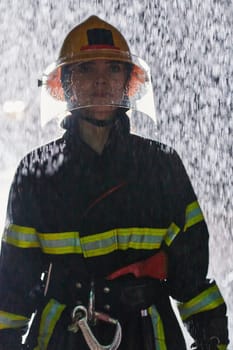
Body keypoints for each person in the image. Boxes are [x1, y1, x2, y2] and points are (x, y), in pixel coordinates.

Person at [0, 15, 229, 350]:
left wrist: (212, 335)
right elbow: (13, 283)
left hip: (149, 335)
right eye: (86, 69)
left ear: (128, 83)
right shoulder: (35, 173)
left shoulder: (161, 165)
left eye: (113, 69)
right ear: (64, 84)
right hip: (63, 337)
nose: (101, 81)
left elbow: (190, 273)